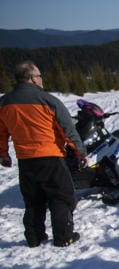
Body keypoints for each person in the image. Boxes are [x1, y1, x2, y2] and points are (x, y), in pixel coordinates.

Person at [0, 60, 86, 247]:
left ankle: (34, 237)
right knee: (61, 196)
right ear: (32, 78)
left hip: (25, 159)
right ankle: (64, 237)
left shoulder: (4, 102)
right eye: (39, 76)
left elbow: (1, 132)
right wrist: (81, 152)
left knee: (33, 200)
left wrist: (4, 154)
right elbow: (67, 128)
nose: (41, 79)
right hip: (50, 156)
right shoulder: (47, 100)